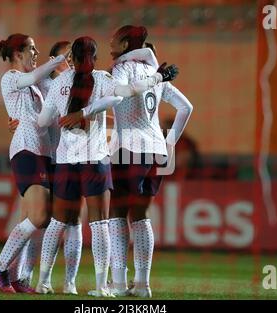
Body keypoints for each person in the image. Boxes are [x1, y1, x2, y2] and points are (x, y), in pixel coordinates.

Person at [36, 36, 177, 297]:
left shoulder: (59, 84)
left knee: (57, 222)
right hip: (96, 160)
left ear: (72, 59)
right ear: (95, 58)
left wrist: (35, 118)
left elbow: (43, 120)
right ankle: (102, 285)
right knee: (99, 224)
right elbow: (120, 97)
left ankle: (42, 282)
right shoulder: (103, 79)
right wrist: (157, 77)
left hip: (66, 161)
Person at [0, 33, 70, 294]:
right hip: (26, 151)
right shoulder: (11, 78)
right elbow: (33, 77)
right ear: (18, 54)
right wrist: (60, 57)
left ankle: (15, 276)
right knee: (39, 216)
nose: (36, 53)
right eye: (32, 49)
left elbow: (56, 102)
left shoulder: (39, 85)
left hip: (45, 154)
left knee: (34, 219)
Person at [6, 41, 83, 295]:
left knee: (65, 221)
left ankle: (49, 280)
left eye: (74, 59)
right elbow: (35, 114)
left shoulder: (82, 85)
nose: (72, 63)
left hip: (66, 157)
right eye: (68, 59)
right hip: (51, 158)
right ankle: (25, 276)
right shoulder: (48, 85)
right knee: (44, 219)